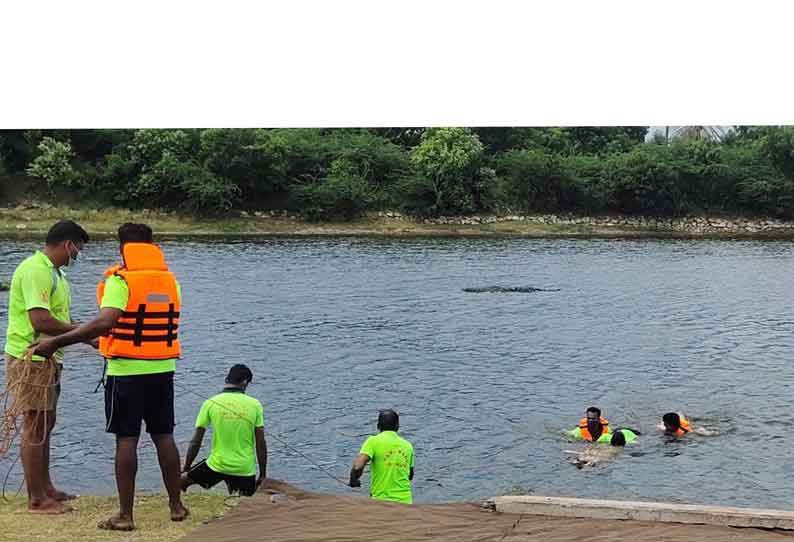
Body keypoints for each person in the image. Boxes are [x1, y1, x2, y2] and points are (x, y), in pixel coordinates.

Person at [32, 223, 188, 531]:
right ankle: (177, 506)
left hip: (127, 372)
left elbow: (106, 322)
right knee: (164, 436)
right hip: (162, 370)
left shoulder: (121, 280)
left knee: (126, 439)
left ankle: (125, 516)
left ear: (123, 248)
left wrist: (55, 342)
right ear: (151, 246)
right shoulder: (170, 281)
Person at [3, 219, 89, 514]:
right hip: (32, 358)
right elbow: (40, 321)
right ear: (68, 244)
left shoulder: (55, 273)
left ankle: (46, 487)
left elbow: (54, 318)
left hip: (49, 358)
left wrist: (76, 335)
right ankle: (36, 499)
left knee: (46, 422)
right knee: (34, 425)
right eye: (77, 249)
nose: (77, 255)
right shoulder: (36, 270)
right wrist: (84, 333)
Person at [181, 364, 267, 496]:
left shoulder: (210, 402)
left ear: (227, 380)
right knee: (243, 505)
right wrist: (262, 474)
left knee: (180, 481)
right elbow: (260, 444)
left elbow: (196, 441)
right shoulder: (255, 405)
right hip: (243, 469)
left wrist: (187, 468)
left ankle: (176, 504)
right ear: (244, 382)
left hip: (216, 465)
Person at [349, 409, 414, 504]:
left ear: (378, 426)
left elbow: (358, 466)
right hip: (406, 502)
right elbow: (410, 475)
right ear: (397, 426)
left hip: (381, 501)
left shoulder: (373, 441)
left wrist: (353, 480)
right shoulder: (408, 445)